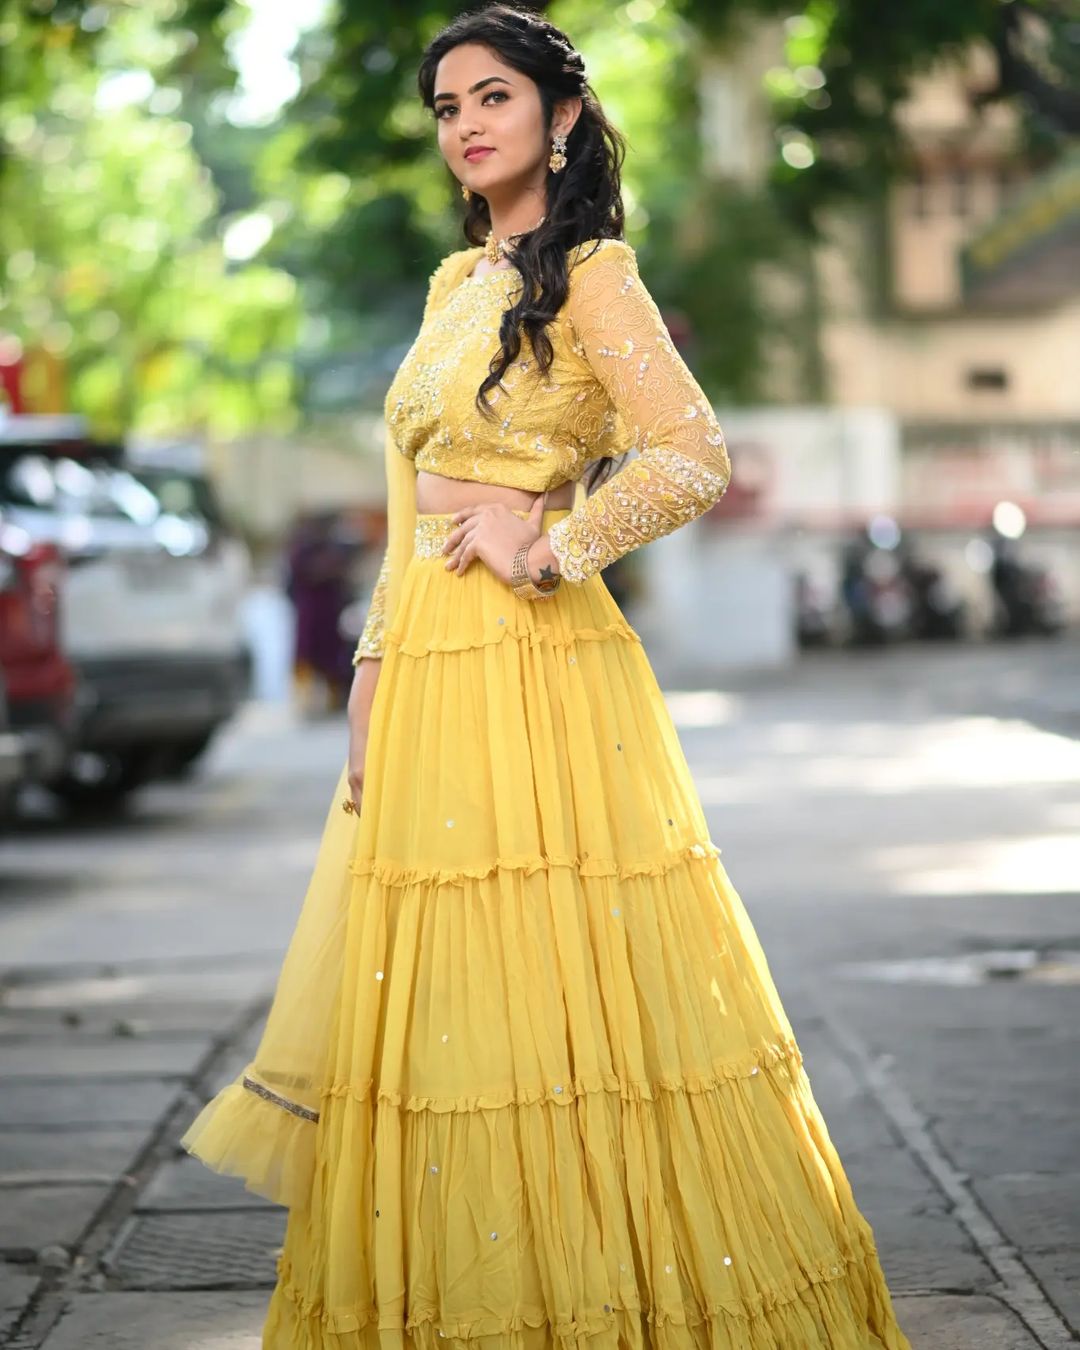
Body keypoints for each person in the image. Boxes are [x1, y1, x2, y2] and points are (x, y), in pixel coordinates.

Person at [181, 8, 913, 1347]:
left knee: (562, 980)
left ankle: (604, 1292)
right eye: (447, 105)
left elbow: (693, 455)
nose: (465, 125)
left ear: (559, 117)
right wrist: (371, 664)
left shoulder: (594, 276)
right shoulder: (456, 288)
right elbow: (407, 493)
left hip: (536, 665)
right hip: (430, 666)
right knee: (438, 989)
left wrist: (557, 543)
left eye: (493, 97)